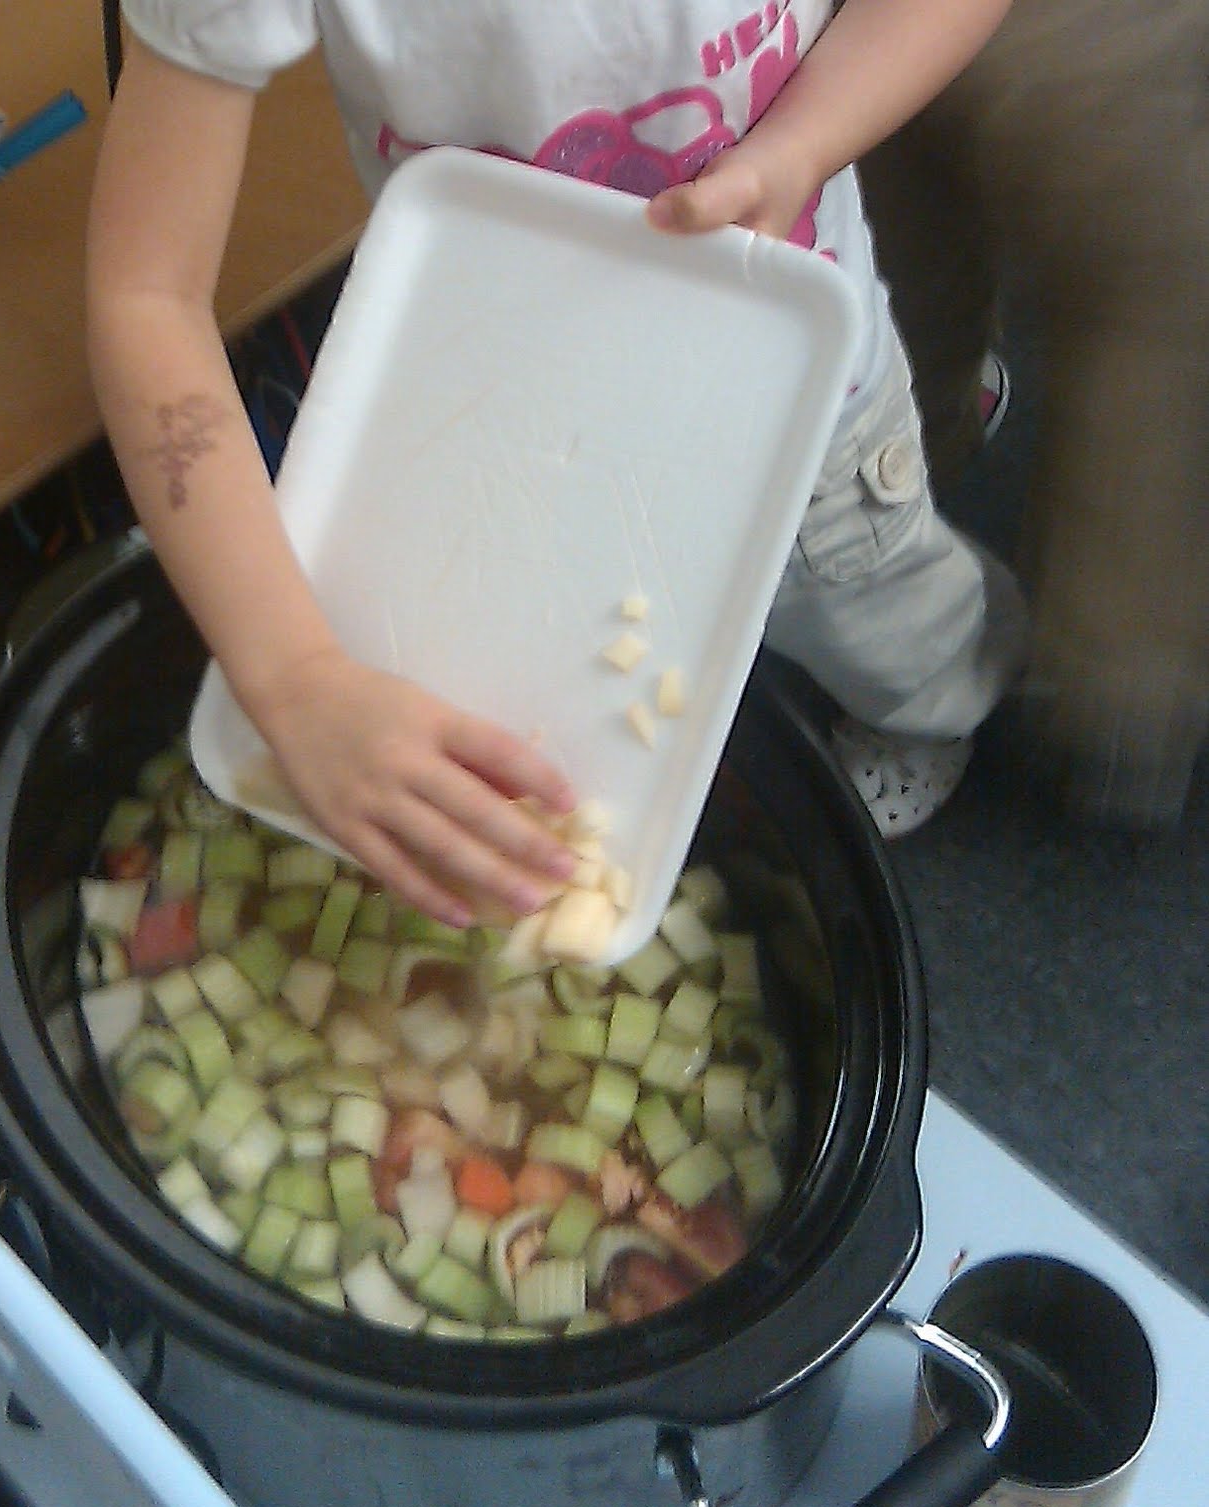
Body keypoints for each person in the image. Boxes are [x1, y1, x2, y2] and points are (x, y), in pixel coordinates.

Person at [87, 0, 1028, 931]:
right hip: (506, 411)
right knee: (582, 664)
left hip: (789, 399)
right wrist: (295, 679)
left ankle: (944, 697)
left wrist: (802, 144)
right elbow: (146, 295)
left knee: (871, 606)